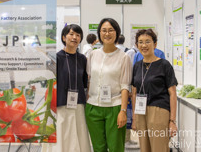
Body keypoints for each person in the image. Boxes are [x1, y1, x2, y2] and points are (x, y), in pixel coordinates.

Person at [85, 18, 132, 152]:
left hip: (114, 107)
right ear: (99, 33)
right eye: (104, 30)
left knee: (115, 147)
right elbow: (89, 80)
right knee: (98, 148)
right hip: (93, 107)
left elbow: (125, 86)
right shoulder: (93, 54)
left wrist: (123, 111)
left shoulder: (124, 57)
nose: (107, 33)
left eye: (111, 30)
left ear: (117, 33)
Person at [131, 29, 178, 152]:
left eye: (147, 41)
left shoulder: (164, 65)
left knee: (159, 148)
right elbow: (134, 93)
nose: (144, 45)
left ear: (155, 44)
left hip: (159, 111)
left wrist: (172, 121)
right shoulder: (137, 66)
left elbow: (173, 94)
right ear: (137, 45)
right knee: (144, 148)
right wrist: (134, 119)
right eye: (140, 42)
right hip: (141, 112)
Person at [56, 24, 91, 152]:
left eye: (77, 35)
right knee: (64, 135)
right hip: (61, 103)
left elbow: (84, 81)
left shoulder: (82, 59)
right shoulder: (57, 58)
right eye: (71, 34)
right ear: (64, 37)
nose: (74, 37)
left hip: (79, 104)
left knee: (79, 133)